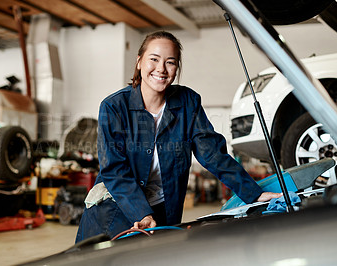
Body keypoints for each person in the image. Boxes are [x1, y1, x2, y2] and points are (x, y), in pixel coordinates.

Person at [75, 31, 281, 243]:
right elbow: (114, 170)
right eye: (153, 59)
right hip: (115, 211)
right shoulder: (114, 107)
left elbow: (211, 154)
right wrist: (141, 213)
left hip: (163, 214)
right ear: (139, 62)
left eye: (170, 62)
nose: (161, 69)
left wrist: (253, 193)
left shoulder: (187, 102)